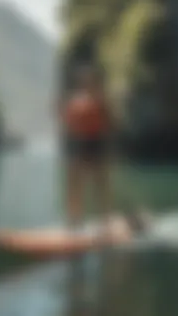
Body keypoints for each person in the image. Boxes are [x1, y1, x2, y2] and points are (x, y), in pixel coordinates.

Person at [60, 65, 115, 235]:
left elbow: (107, 124)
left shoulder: (99, 100)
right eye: (84, 79)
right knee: (74, 183)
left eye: (89, 79)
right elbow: (68, 123)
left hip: (95, 142)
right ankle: (74, 222)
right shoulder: (75, 100)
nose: (86, 82)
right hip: (78, 143)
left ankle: (105, 222)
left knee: (100, 184)